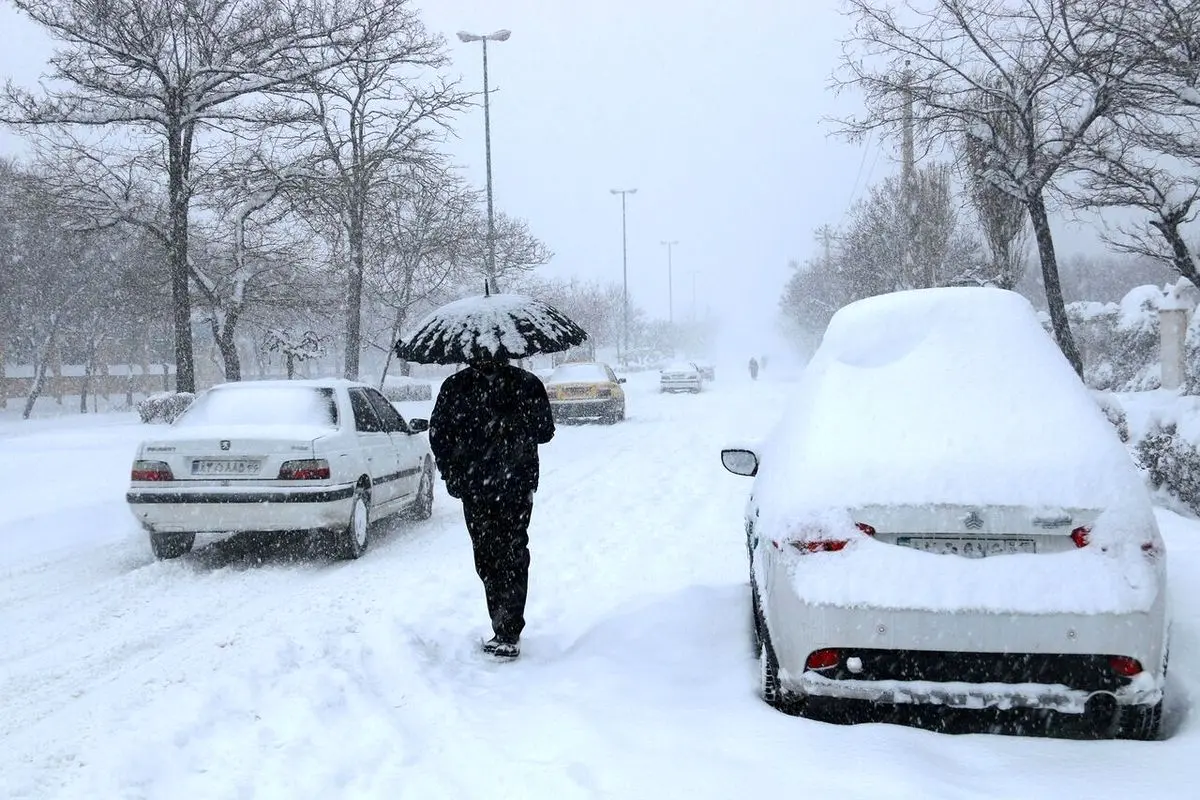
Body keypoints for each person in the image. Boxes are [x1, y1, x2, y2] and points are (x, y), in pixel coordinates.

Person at [429, 355, 555, 659]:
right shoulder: (456, 387)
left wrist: (514, 417)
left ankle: (508, 629)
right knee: (489, 555)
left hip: (513, 485)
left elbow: (545, 431)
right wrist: (453, 474)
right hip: (479, 487)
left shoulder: (525, 385)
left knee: (508, 552)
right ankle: (503, 624)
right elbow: (439, 436)